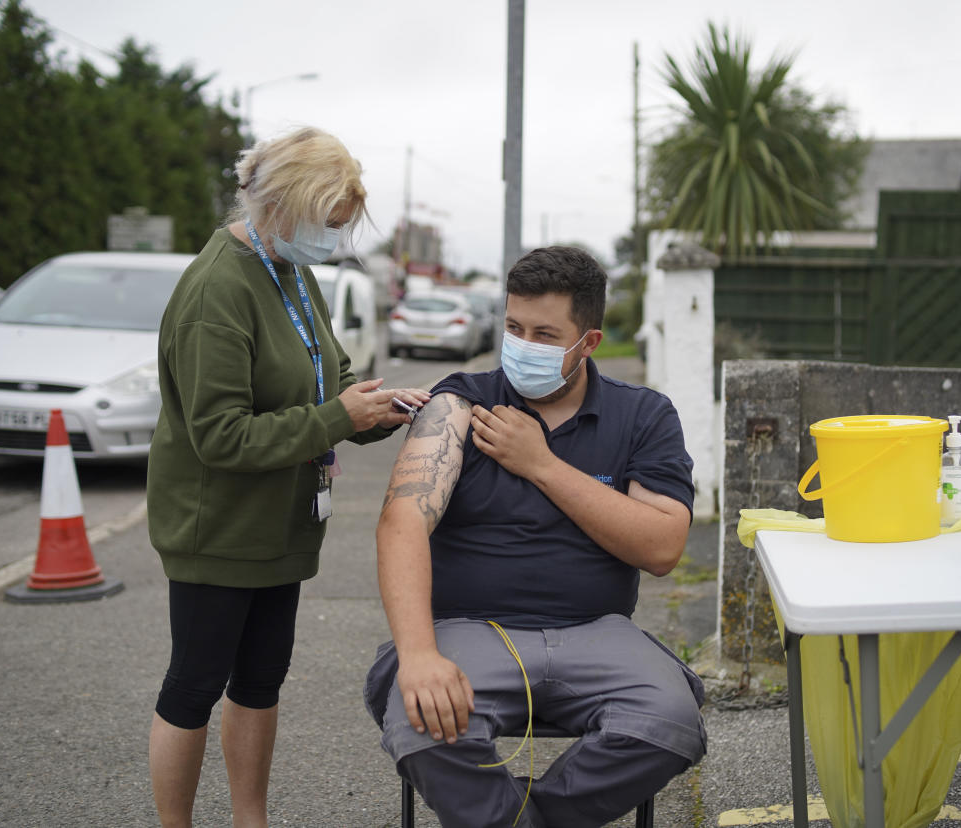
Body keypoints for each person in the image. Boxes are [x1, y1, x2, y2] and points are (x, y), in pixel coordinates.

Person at [146, 126, 430, 828]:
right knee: (193, 688)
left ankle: (252, 821)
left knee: (261, 683)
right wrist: (337, 417)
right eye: (325, 223)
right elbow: (219, 436)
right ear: (280, 205)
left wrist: (376, 410)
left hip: (281, 527)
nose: (331, 240)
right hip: (219, 529)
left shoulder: (293, 272)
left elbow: (329, 376)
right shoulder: (218, 286)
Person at [365, 246, 706, 827]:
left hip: (597, 633)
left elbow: (661, 548)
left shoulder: (643, 416)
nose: (524, 346)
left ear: (589, 342)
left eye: (546, 334)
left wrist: (541, 464)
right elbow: (402, 523)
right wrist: (419, 656)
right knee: (421, 724)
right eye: (514, 328)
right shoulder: (460, 403)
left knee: (670, 725)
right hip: (468, 630)